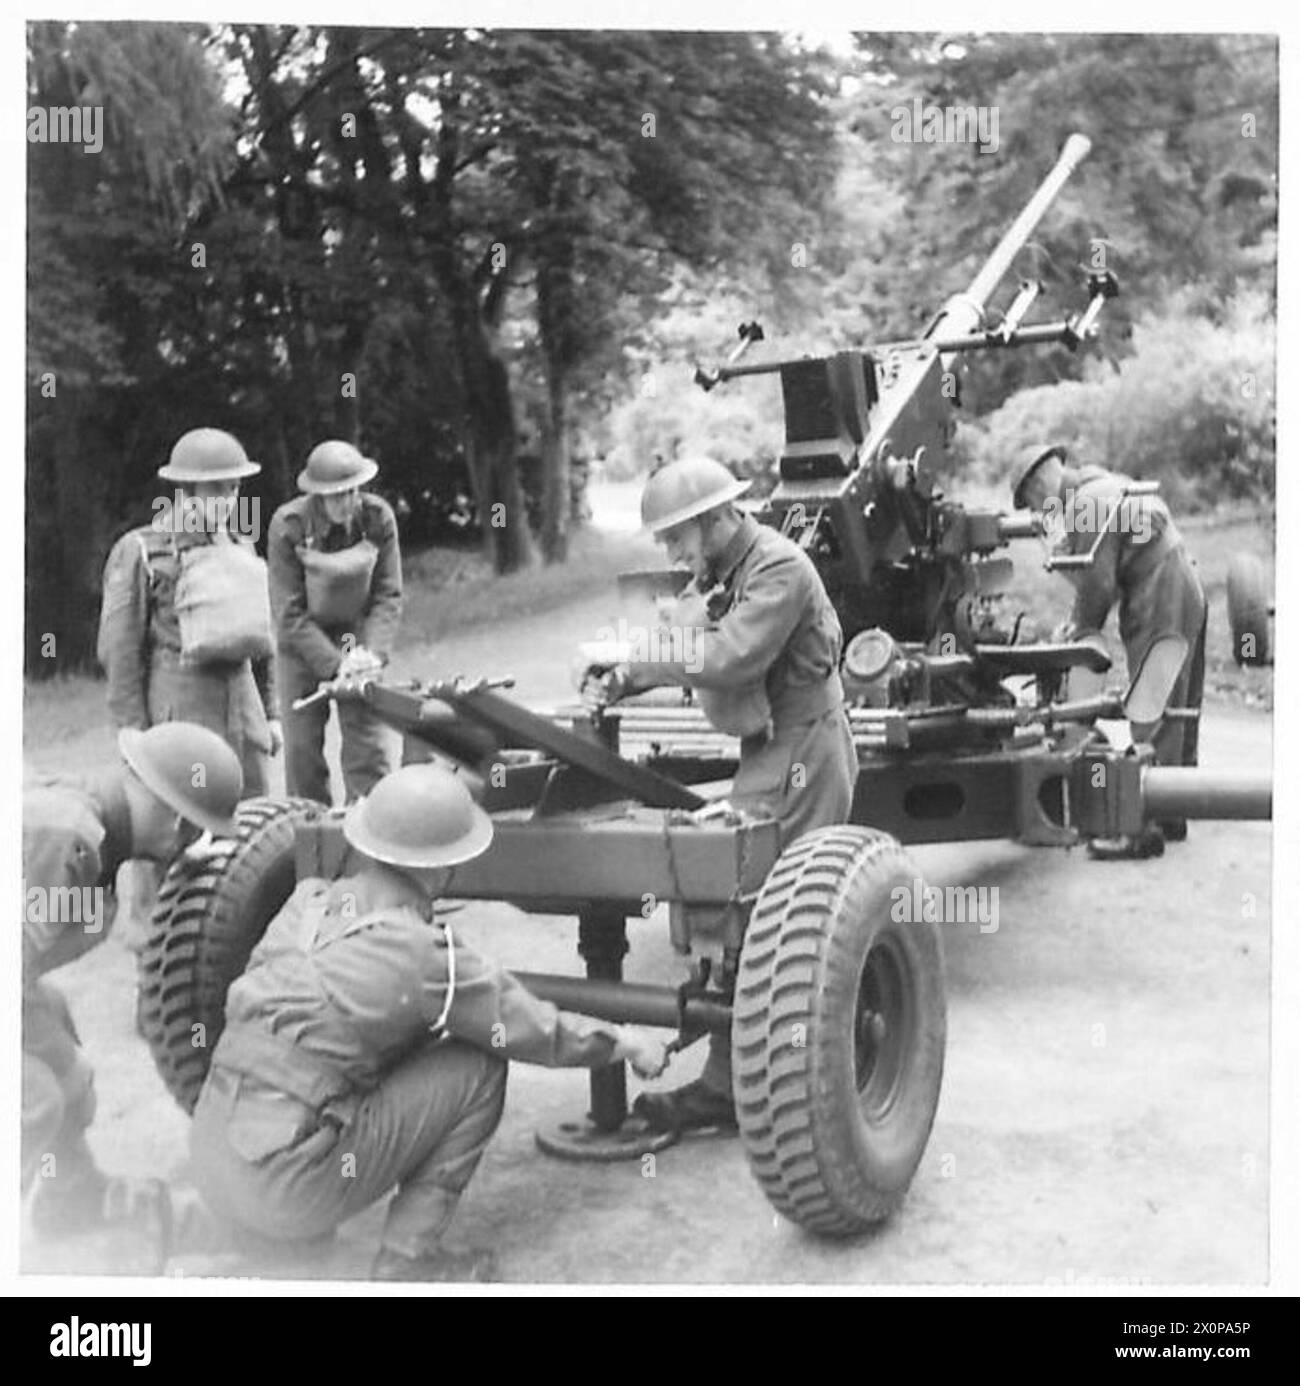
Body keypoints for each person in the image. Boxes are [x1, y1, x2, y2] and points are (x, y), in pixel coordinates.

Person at [188, 764, 668, 1282]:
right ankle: (407, 1262)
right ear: (442, 870)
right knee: (479, 1065)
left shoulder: (308, 902)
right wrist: (627, 1042)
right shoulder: (423, 957)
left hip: (213, 1161)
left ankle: (277, 1226)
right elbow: (532, 1030)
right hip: (287, 1189)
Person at [579, 455, 858, 1134]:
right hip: (770, 746)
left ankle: (757, 1087)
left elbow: (730, 657)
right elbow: (693, 639)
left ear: (713, 519)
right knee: (752, 911)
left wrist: (637, 659)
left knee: (774, 916)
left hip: (803, 749)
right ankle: (741, 1078)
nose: (672, 553)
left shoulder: (779, 568)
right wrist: (623, 680)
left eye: (677, 537)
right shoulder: (726, 571)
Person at [23, 722, 244, 1267]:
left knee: (63, 1045)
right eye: (187, 827)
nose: (187, 841)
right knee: (33, 1100)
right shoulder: (68, 835)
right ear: (165, 810)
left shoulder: (96, 831)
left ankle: (68, 1198)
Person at [1011, 442, 1207, 856]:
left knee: (1151, 705)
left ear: (1041, 480)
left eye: (1030, 499)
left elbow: (1097, 585)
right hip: (1181, 578)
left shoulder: (1084, 502)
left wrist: (1078, 634)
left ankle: (1142, 828)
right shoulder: (1101, 486)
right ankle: (1174, 808)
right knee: (1178, 707)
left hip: (1159, 587)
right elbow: (1095, 573)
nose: (1034, 510)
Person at [98, 427, 278, 797]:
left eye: (233, 489)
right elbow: (121, 652)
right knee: (188, 823)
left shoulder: (242, 546)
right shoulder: (142, 551)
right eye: (215, 490)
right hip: (181, 709)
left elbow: (261, 639)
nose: (227, 501)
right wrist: (132, 735)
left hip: (244, 713)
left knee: (256, 825)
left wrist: (271, 713)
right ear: (186, 492)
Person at [267, 440, 403, 805]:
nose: (347, 502)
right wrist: (334, 666)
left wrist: (370, 656)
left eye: (353, 491)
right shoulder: (288, 526)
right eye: (337, 495)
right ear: (317, 496)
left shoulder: (378, 518)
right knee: (301, 751)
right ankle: (309, 829)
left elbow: (387, 595)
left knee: (368, 747)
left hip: (357, 638)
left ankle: (373, 823)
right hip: (300, 644)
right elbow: (288, 614)